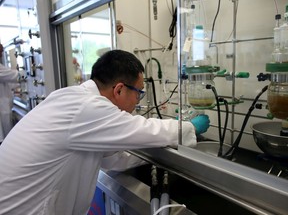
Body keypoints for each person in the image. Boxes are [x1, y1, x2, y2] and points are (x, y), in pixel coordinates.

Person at [0, 50, 210, 214]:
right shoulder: (86, 107)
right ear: (119, 90)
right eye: (138, 94)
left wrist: (160, 150)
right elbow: (144, 129)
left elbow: (113, 159)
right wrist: (189, 127)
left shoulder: (73, 98)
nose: (138, 102)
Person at [0, 62, 19, 143]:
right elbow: (13, 76)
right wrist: (25, 72)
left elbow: (9, 83)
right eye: (0, 48)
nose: (2, 50)